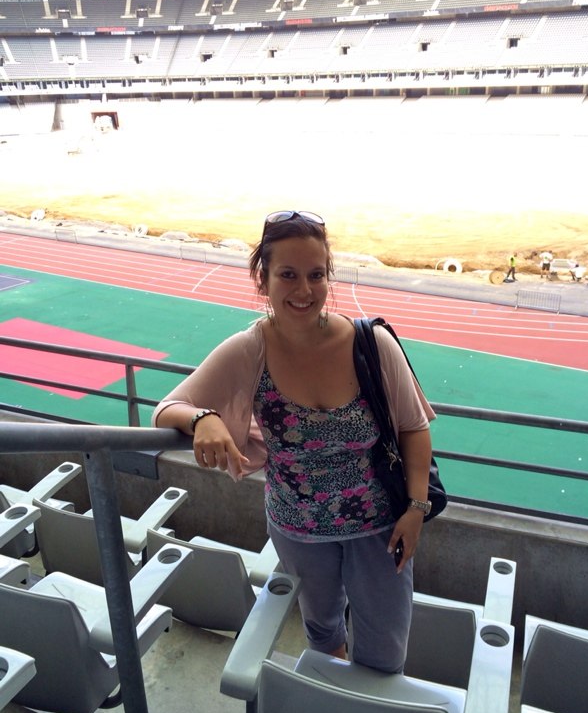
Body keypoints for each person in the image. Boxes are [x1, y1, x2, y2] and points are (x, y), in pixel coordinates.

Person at [152, 210, 435, 674]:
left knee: (384, 648)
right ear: (262, 278)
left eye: (316, 275)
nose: (304, 291)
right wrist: (203, 418)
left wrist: (416, 509)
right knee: (323, 633)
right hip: (297, 529)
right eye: (288, 275)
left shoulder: (373, 344)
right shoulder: (250, 349)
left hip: (381, 529)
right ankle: (336, 711)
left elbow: (414, 428)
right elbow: (167, 408)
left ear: (329, 277)